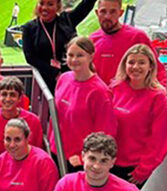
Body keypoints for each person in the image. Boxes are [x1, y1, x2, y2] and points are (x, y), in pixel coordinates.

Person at [21, 0, 120, 93]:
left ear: (58, 7)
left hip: (74, 79)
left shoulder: (67, 20)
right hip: (45, 83)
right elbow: (30, 57)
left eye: (50, 4)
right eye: (41, 3)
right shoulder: (29, 28)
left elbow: (88, 2)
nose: (44, 8)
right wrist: (55, 73)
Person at [111, 44, 167, 188]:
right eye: (131, 62)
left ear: (150, 66)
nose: (135, 67)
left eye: (141, 63)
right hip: (108, 161)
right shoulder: (115, 88)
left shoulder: (157, 97)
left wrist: (144, 169)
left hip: (133, 167)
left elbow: (161, 137)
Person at [50, 37, 117, 171]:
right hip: (56, 150)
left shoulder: (99, 92)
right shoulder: (64, 79)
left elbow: (105, 133)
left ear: (91, 56)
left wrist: (84, 158)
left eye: (80, 55)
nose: (74, 59)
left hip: (77, 160)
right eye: (70, 55)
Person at [89, 0, 167, 87]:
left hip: (129, 95)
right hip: (101, 95)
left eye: (113, 12)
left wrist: (161, 89)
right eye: (103, 11)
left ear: (120, 13)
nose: (107, 16)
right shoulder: (92, 41)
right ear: (97, 13)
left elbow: (156, 67)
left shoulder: (137, 37)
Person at [0, 76, 43, 156]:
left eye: (12, 95)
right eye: (4, 94)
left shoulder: (33, 120)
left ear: (20, 98)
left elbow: (37, 150)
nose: (8, 99)